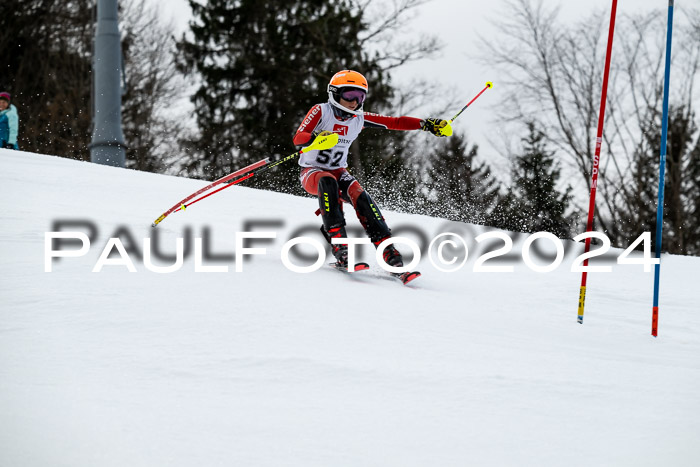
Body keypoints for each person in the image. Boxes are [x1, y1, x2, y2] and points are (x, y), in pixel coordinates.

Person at [293, 70, 452, 269]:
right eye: (349, 95)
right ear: (335, 93)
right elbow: (298, 137)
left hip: (338, 170)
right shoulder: (321, 111)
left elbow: (395, 122)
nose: (354, 102)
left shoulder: (359, 118)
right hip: (312, 172)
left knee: (361, 197)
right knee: (328, 181)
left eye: (360, 97)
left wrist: (426, 124)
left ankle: (388, 250)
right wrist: (315, 139)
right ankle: (340, 246)